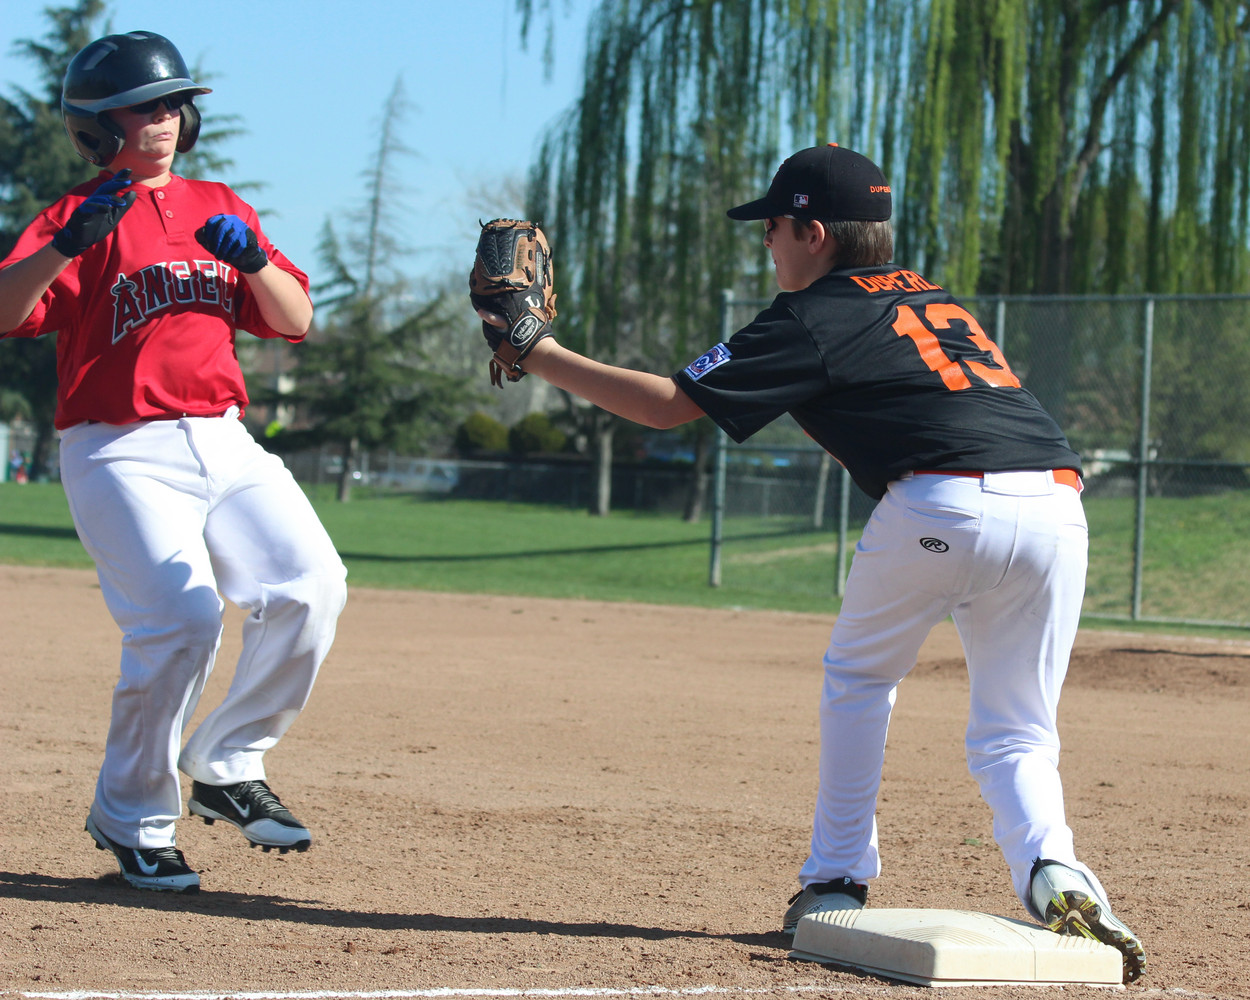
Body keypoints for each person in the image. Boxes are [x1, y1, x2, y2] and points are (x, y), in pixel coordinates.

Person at [475, 144, 1146, 983]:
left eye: (774, 227)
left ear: (815, 233)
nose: (767, 242)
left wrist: (532, 347)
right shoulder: (931, 296)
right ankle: (1057, 873)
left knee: (860, 678)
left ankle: (836, 879)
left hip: (941, 503)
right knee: (1018, 729)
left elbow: (667, 407)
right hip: (1057, 507)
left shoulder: (813, 314)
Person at [0, 31, 347, 894]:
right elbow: (6, 311)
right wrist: (63, 247)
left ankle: (226, 764)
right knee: (181, 622)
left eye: (171, 103)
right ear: (96, 127)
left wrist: (254, 261)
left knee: (311, 585)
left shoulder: (219, 203)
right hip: (118, 446)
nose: (162, 117)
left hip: (222, 436)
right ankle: (131, 820)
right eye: (142, 106)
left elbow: (296, 320)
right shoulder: (72, 215)